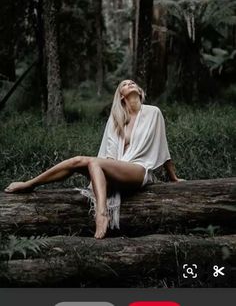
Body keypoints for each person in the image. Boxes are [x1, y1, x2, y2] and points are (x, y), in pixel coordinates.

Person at [4, 79, 183, 239]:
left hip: (138, 170)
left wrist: (173, 177)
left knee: (93, 162)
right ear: (121, 96)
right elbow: (109, 154)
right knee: (77, 160)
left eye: (132, 83)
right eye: (125, 84)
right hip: (116, 169)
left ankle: (102, 213)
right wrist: (104, 172)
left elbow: (163, 146)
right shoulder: (116, 119)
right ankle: (29, 184)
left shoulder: (153, 113)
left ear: (139, 90)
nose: (130, 84)